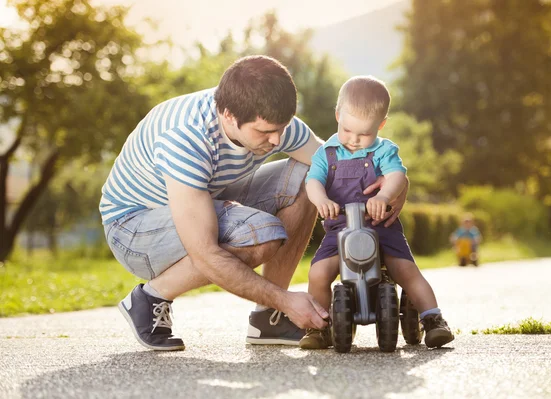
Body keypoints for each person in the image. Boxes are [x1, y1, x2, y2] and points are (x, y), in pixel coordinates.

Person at [100, 56, 400, 351]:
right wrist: (285, 300)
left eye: (281, 128)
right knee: (260, 235)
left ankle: (267, 320)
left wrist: (395, 184)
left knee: (313, 173)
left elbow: (337, 165)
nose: (276, 139)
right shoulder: (186, 139)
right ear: (229, 115)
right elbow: (203, 252)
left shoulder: (272, 122)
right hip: (133, 229)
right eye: (265, 132)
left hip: (209, 198)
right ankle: (150, 298)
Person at [299, 76, 454, 349]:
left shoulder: (384, 150)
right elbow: (312, 181)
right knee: (318, 273)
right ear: (337, 116)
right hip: (340, 230)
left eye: (365, 134)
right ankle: (319, 327)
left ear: (381, 125)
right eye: (347, 130)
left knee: (406, 271)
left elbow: (396, 176)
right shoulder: (327, 153)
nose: (355, 140)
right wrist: (321, 199)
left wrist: (384, 196)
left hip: (381, 226)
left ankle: (433, 319)